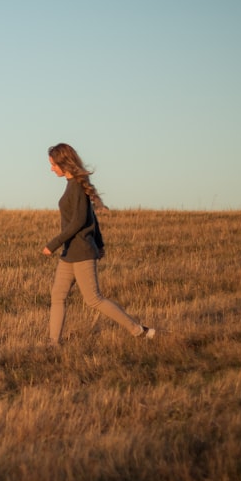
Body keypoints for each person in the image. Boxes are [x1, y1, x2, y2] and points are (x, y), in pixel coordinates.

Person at [41, 143, 155, 345]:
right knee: (58, 296)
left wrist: (53, 243)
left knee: (94, 299)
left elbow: (79, 222)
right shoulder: (73, 184)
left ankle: (139, 331)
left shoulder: (76, 187)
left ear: (63, 163)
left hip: (81, 252)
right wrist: (100, 244)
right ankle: (53, 343)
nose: (51, 169)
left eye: (53, 164)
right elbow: (92, 218)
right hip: (70, 253)